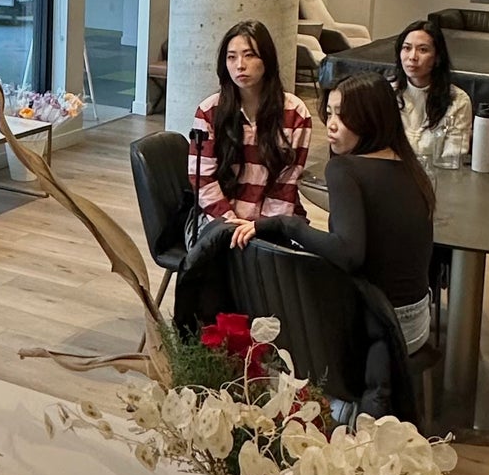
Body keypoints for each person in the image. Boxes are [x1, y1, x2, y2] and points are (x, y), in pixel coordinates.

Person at [259, 73, 438, 351]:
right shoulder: (411, 166)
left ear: (370, 118)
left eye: (342, 116)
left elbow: (348, 253)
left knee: (271, 305)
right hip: (417, 324)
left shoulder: (344, 170)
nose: (331, 125)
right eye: (329, 113)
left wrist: (286, 225)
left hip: (380, 329)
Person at [186, 19, 313, 248]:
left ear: (267, 59)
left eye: (250, 55)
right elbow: (202, 178)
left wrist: (260, 228)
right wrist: (232, 223)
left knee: (285, 266)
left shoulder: (295, 113)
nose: (240, 65)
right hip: (220, 217)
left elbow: (287, 182)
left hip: (277, 218)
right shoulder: (209, 111)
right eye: (231, 57)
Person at [389, 18, 473, 176]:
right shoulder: (386, 93)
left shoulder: (458, 100)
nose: (412, 57)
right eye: (406, 48)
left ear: (437, 57)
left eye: (422, 50)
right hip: (391, 176)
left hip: (436, 181)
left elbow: (452, 158)